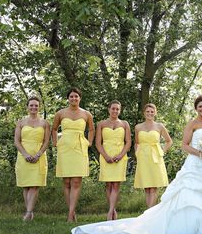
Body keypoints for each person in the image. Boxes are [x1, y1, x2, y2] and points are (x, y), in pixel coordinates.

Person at [71, 95, 202, 234]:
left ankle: (201, 225)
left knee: (199, 192)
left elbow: (171, 141)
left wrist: (163, 151)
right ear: (196, 108)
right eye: (200, 106)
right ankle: (165, 219)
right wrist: (200, 153)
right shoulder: (190, 124)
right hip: (189, 162)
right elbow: (181, 144)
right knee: (177, 190)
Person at [52, 88, 94, 222]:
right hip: (65, 147)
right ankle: (72, 211)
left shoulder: (86, 114)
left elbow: (92, 129)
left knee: (76, 181)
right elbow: (53, 129)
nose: (74, 98)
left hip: (79, 147)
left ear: (80, 98)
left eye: (76, 96)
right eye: (71, 96)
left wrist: (89, 142)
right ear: (68, 98)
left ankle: (70, 214)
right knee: (66, 181)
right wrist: (55, 143)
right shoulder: (60, 113)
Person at [14, 96, 50, 221]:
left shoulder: (45, 123)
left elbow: (46, 142)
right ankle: (29, 212)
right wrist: (25, 154)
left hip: (39, 156)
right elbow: (17, 141)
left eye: (36, 105)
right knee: (26, 186)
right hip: (23, 156)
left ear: (39, 107)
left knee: (34, 185)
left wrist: (38, 154)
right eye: (31, 105)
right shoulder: (21, 123)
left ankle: (28, 212)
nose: (34, 107)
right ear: (27, 107)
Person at [95, 100, 131, 220]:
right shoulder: (101, 124)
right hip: (106, 155)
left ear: (120, 111)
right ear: (109, 109)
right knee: (108, 184)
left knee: (116, 184)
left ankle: (110, 212)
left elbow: (128, 142)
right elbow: (98, 143)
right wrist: (105, 156)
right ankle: (113, 209)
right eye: (113, 108)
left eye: (117, 109)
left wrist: (121, 155)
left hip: (120, 156)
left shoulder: (124, 124)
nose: (115, 111)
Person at [134, 103, 173, 208]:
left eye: (152, 111)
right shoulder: (138, 127)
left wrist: (162, 151)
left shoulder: (159, 126)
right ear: (144, 113)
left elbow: (169, 141)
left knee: (154, 186)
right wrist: (137, 154)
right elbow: (136, 143)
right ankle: (149, 211)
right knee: (146, 186)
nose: (150, 113)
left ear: (155, 113)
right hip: (143, 158)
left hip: (155, 157)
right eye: (147, 111)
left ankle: (149, 213)